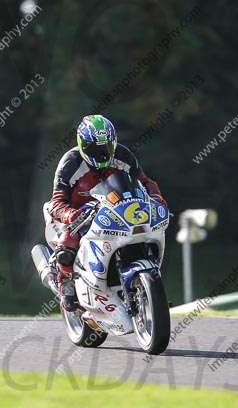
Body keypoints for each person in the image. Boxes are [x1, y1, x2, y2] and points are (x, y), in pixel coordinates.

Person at [46, 114, 167, 311]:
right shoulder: (70, 163)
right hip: (80, 213)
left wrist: (156, 198)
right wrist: (70, 215)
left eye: (107, 147)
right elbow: (56, 202)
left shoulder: (123, 155)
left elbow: (146, 182)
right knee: (66, 248)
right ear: (83, 145)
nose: (102, 154)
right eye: (95, 149)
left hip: (117, 208)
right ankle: (66, 283)